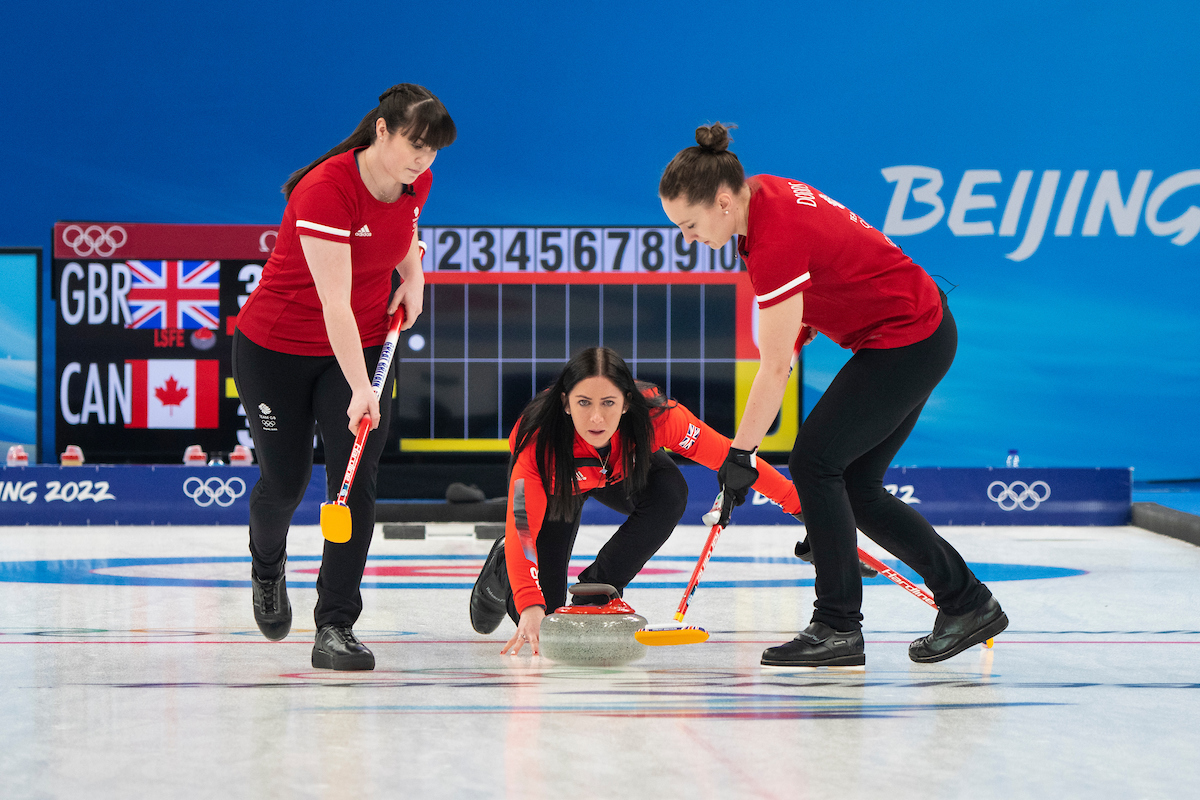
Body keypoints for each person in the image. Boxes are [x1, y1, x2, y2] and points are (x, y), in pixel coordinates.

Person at [658, 123, 1008, 667]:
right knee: (853, 485)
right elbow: (822, 287)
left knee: (815, 461)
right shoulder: (766, 194)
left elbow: (773, 370)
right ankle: (967, 601)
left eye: (689, 224)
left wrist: (740, 456)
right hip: (920, 330)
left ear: (723, 202)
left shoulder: (773, 239)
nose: (688, 237)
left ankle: (837, 627)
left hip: (907, 339)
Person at [232, 84, 456, 670]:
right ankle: (266, 564)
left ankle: (334, 625)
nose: (422, 160)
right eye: (414, 145)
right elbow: (333, 303)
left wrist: (415, 279)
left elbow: (404, 231)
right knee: (285, 482)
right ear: (382, 131)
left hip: (360, 344)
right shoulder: (326, 190)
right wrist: (364, 388)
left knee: (354, 482)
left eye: (432, 151)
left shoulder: (415, 181)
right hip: (276, 348)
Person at [469, 347, 803, 655]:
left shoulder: (660, 417)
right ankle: (502, 568)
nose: (596, 418)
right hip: (561, 486)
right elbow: (523, 531)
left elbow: (736, 461)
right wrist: (529, 604)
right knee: (551, 620)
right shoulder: (538, 447)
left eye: (608, 403)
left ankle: (597, 589)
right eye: (584, 403)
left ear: (627, 402)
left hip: (618, 473)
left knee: (670, 490)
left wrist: (803, 509)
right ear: (566, 403)